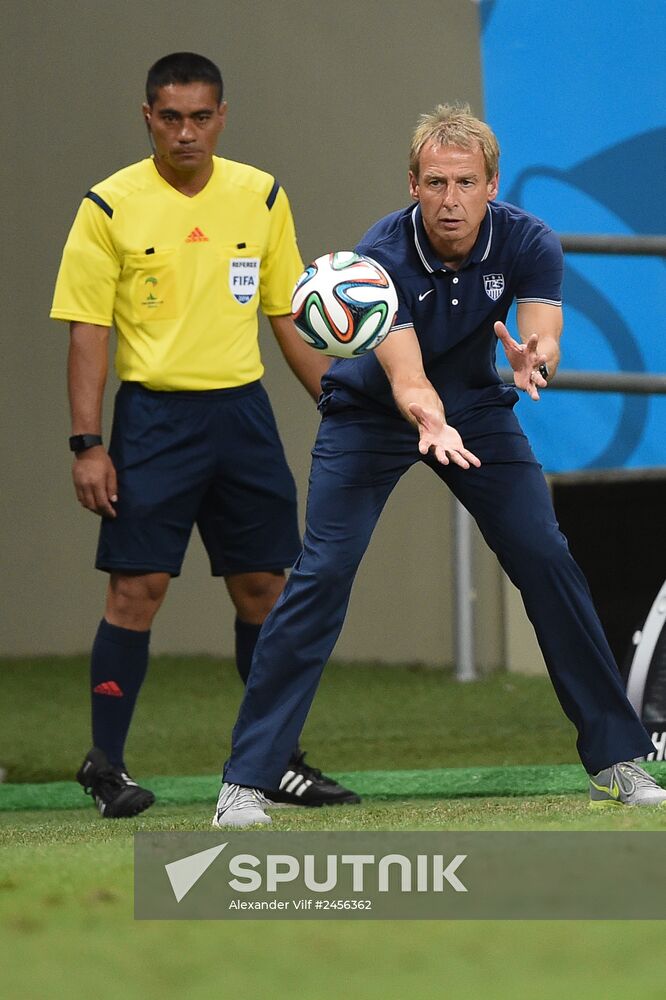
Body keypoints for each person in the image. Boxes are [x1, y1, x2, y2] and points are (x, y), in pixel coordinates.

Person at [212, 103, 664, 827]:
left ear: (492, 184)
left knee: (546, 554)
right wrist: (426, 416)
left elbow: (544, 330)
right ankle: (246, 782)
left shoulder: (528, 240)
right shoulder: (380, 254)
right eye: (433, 183)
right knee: (323, 574)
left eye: (463, 182)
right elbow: (408, 377)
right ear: (412, 185)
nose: (448, 200)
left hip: (480, 412)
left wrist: (533, 357)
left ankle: (617, 760)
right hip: (373, 416)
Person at [50, 51, 359, 818]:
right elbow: (88, 331)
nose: (186, 131)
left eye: (200, 116)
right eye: (170, 117)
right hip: (154, 418)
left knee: (266, 588)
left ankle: (275, 761)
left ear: (222, 117)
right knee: (137, 589)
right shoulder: (109, 205)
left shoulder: (260, 195)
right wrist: (87, 444)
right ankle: (106, 766)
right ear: (147, 117)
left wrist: (343, 403)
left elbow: (286, 314)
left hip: (242, 417)